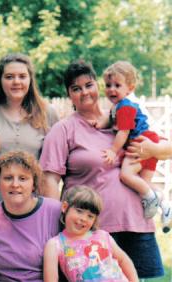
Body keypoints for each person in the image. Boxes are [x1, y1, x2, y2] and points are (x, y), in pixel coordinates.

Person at [39, 59, 164, 279]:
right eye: (76, 89)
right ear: (69, 95)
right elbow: (49, 181)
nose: (84, 92)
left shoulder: (121, 116)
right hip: (91, 229)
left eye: (89, 85)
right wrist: (56, 226)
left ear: (97, 86)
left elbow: (165, 146)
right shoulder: (64, 129)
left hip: (135, 222)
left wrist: (152, 149)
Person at [93, 61, 170, 223]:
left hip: (141, 144)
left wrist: (113, 150)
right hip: (148, 141)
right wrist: (101, 124)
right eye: (108, 85)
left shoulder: (125, 107)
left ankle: (150, 198)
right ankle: (165, 205)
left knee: (126, 175)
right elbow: (112, 118)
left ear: (130, 88)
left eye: (117, 85)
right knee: (143, 183)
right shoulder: (118, 107)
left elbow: (124, 131)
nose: (111, 89)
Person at [0, 151, 61, 281]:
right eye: (8, 178)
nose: (15, 184)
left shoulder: (55, 212)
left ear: (34, 184)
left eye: (23, 178)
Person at [0, 53, 58, 203]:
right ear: (0, 80)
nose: (16, 82)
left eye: (22, 76)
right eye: (9, 77)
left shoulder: (47, 113)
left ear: (30, 79)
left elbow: (55, 165)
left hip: (34, 204)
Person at [43, 185, 139, 282]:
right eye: (79, 211)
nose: (84, 219)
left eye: (90, 216)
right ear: (64, 207)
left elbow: (123, 260)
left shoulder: (103, 236)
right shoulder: (55, 245)